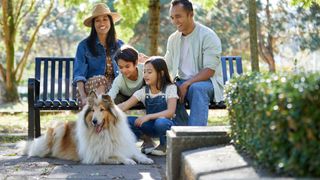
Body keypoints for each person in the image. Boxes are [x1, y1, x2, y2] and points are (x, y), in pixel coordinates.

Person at [164, 0, 224, 126]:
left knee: (197, 88)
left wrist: (186, 84)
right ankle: (183, 131)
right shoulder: (173, 39)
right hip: (182, 81)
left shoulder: (208, 36)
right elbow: (166, 64)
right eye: (172, 17)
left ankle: (196, 133)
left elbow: (209, 71)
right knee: (169, 89)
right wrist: (148, 61)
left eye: (178, 16)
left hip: (207, 82)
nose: (175, 21)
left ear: (191, 14)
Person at [118, 57, 179, 156]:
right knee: (126, 121)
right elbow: (124, 105)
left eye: (149, 72)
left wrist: (148, 116)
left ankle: (165, 145)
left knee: (160, 122)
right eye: (144, 72)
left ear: (161, 73)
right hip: (150, 127)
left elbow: (170, 112)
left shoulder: (170, 88)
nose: (145, 75)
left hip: (167, 126)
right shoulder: (143, 91)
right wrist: (107, 109)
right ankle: (147, 142)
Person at [73, 3, 124, 108]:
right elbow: (79, 75)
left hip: (113, 88)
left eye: (105, 19)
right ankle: (98, 114)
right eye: (97, 20)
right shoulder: (84, 46)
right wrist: (83, 96)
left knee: (114, 88)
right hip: (89, 90)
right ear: (93, 24)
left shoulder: (120, 45)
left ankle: (101, 118)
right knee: (101, 79)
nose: (102, 23)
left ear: (111, 22)